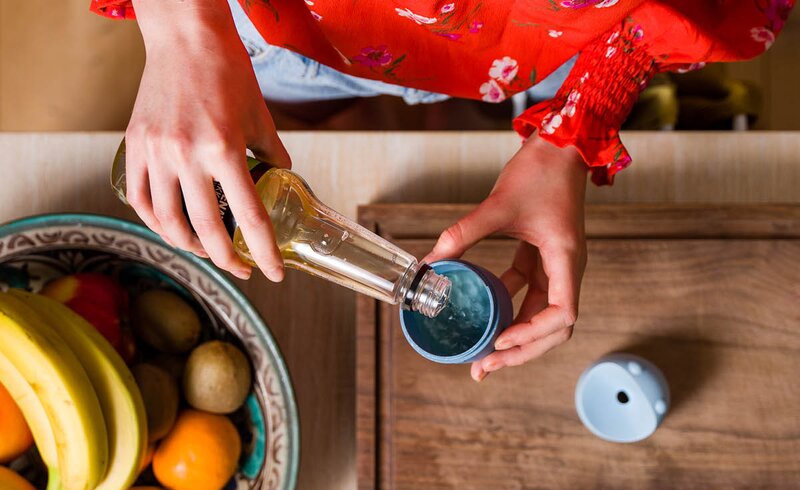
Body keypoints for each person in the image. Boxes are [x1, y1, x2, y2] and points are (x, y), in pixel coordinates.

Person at [91, 0, 794, 381]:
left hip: (550, 43)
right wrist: (185, 28)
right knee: (293, 112)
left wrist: (572, 131)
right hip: (287, 28)